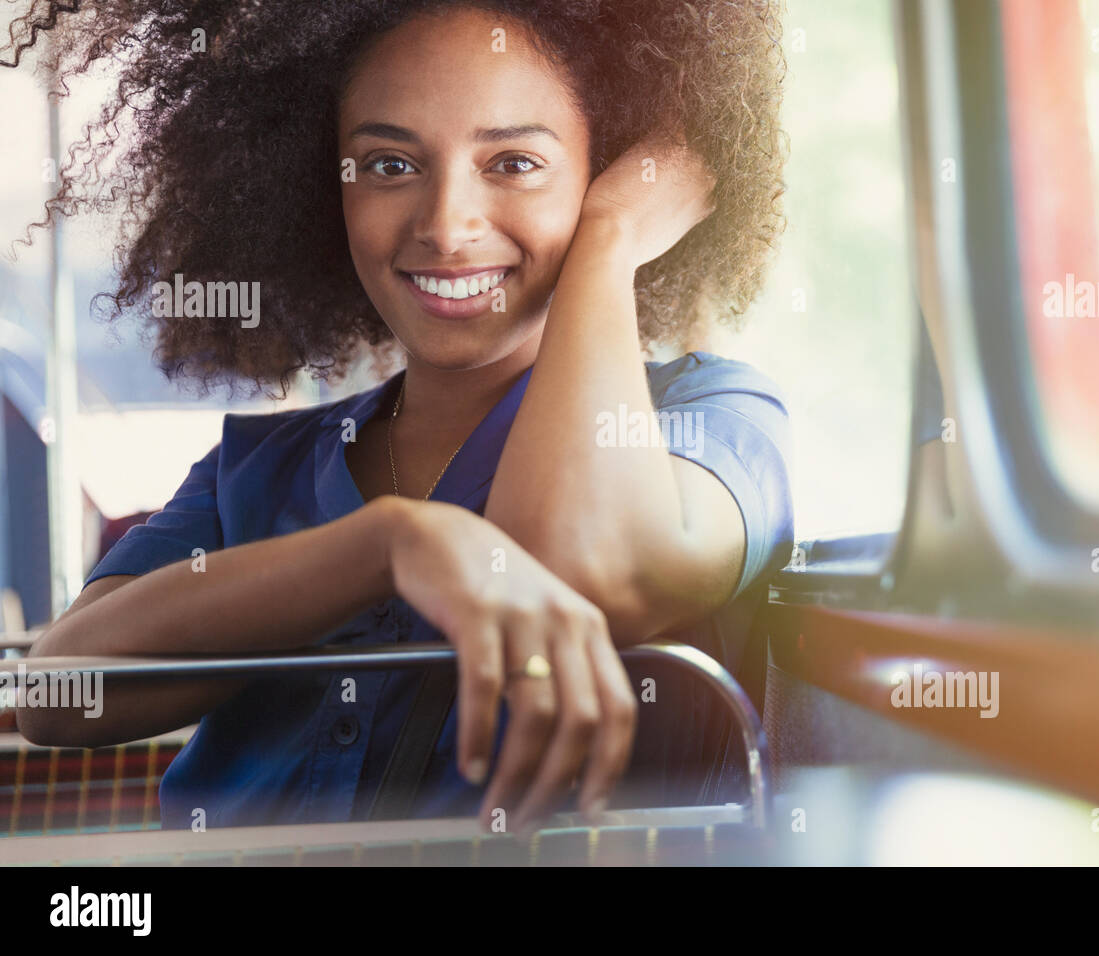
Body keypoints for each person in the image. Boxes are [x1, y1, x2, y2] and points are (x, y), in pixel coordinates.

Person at [9, 0, 793, 833]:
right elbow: (58, 696)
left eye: (516, 162)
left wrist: (608, 238)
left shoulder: (712, 420)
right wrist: (388, 547)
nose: (446, 227)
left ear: (605, 170)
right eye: (387, 165)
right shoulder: (259, 466)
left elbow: (582, 562)